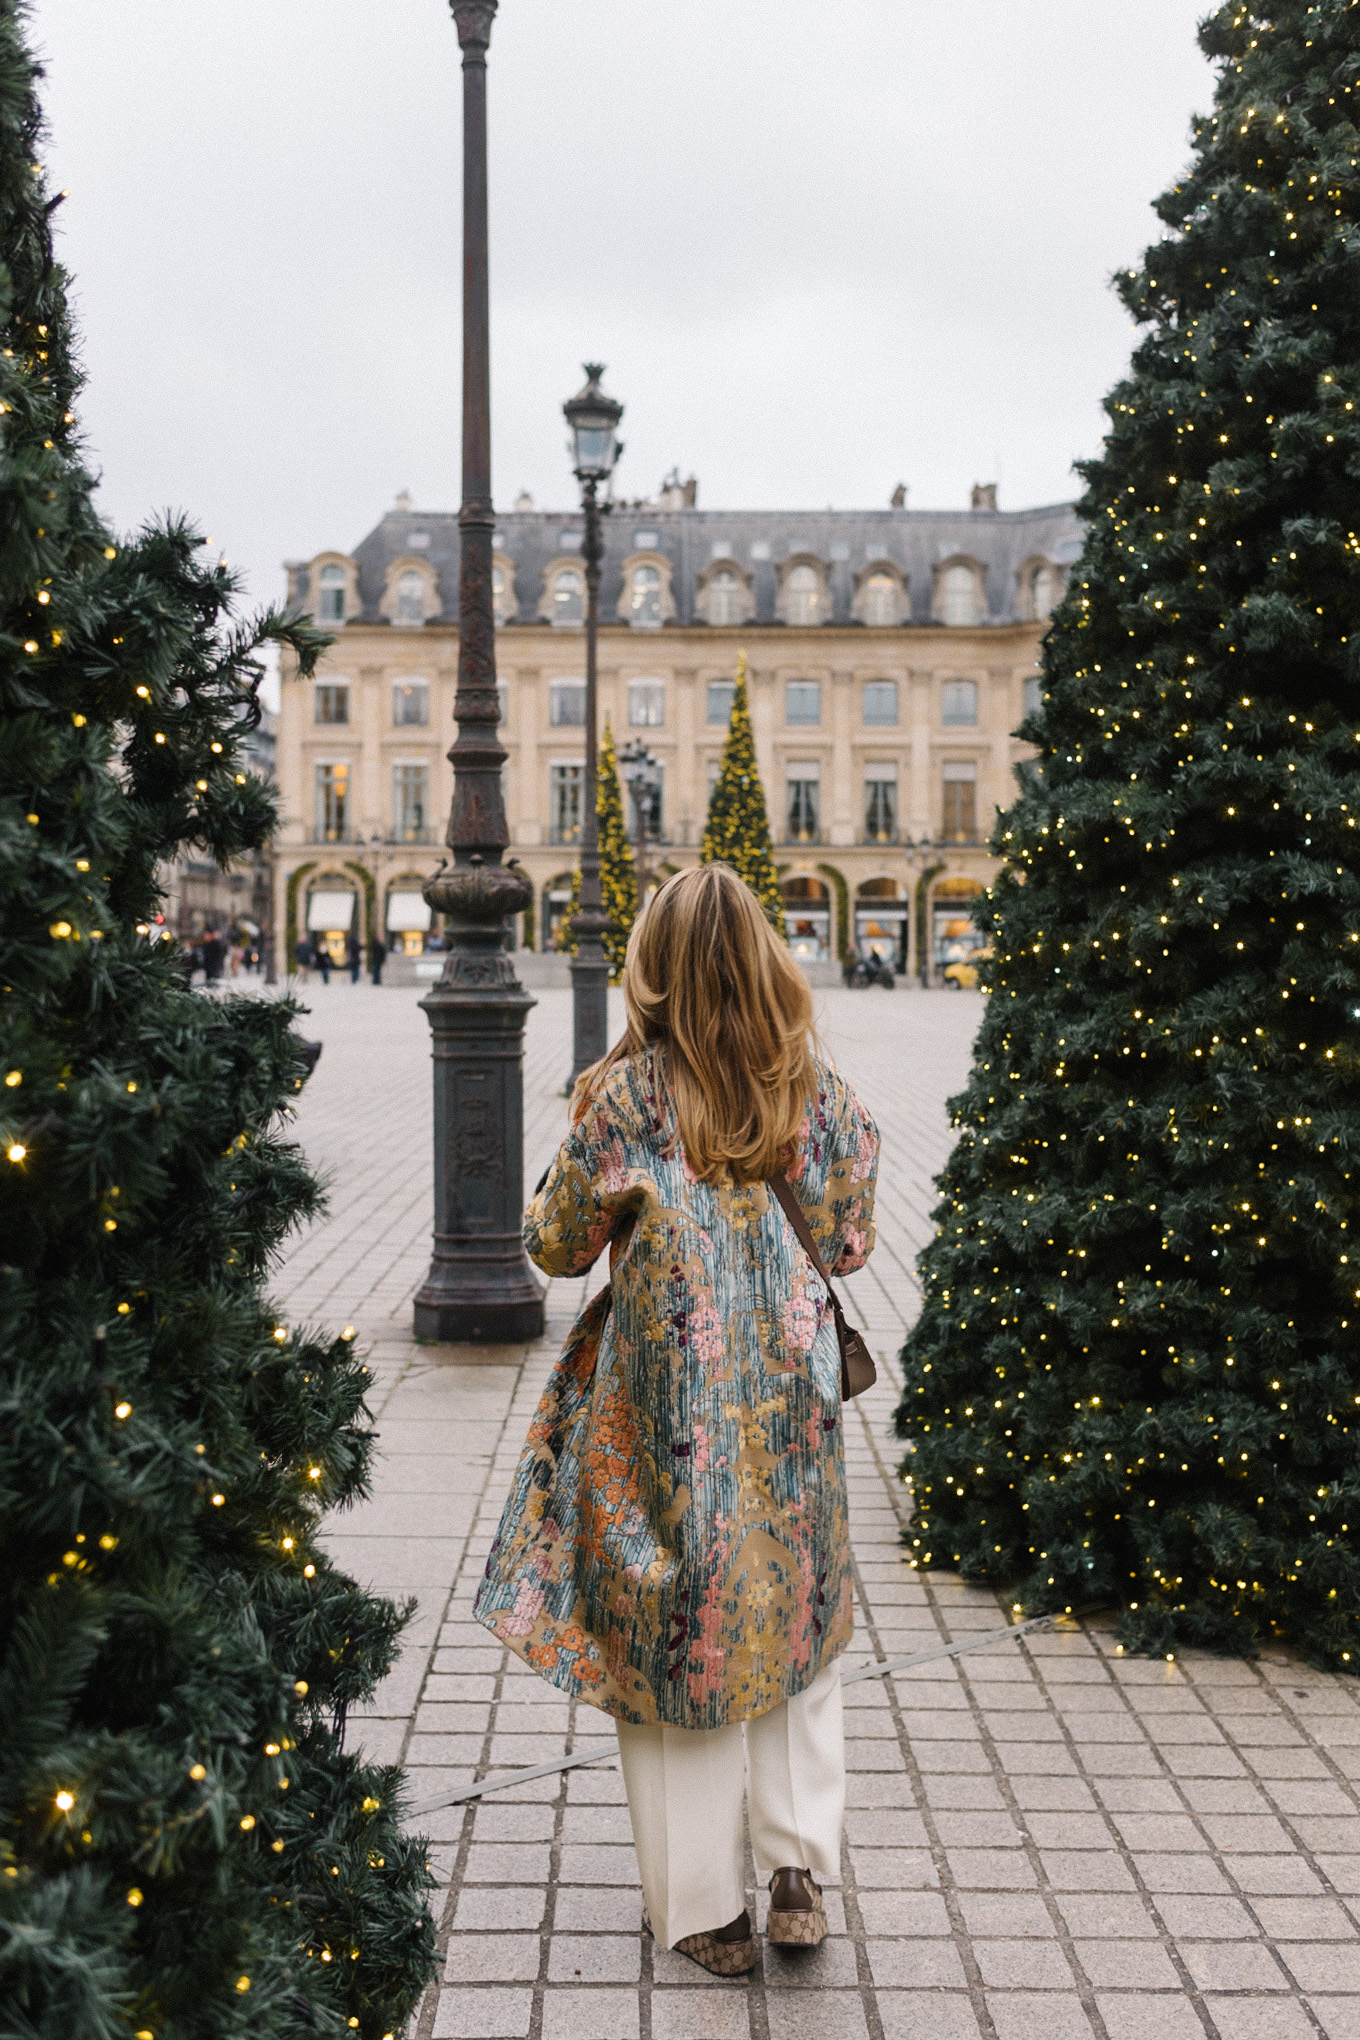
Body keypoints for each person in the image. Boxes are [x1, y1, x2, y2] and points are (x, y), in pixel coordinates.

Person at [476, 865, 879, 1976]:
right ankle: (797, 1868)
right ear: (763, 959)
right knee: (793, 1610)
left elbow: (553, 1244)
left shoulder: (626, 1096)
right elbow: (848, 1243)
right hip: (789, 1403)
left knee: (674, 1629)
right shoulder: (809, 1088)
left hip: (665, 1409)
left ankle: (708, 1910)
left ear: (649, 967)